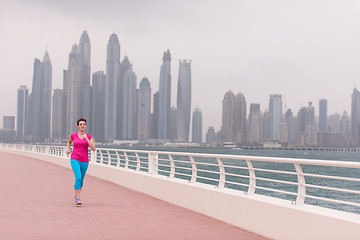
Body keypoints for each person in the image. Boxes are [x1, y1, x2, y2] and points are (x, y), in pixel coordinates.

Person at [66, 118, 96, 206]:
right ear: (78, 126)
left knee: (81, 179)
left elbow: (93, 149)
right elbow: (69, 142)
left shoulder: (89, 137)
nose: (82, 126)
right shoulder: (73, 135)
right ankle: (78, 198)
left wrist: (87, 139)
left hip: (85, 160)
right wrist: (67, 149)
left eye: (84, 124)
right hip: (74, 158)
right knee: (78, 177)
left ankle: (77, 194)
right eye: (80, 124)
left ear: (86, 126)